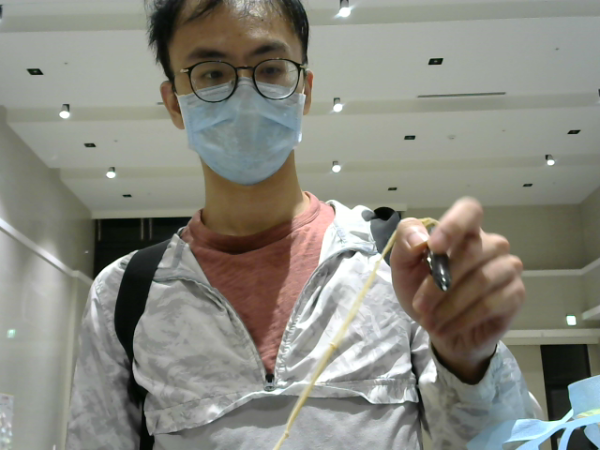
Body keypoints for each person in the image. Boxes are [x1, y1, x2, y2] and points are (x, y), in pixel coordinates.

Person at [66, 0, 538, 448]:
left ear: (304, 90)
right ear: (174, 102)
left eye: (270, 68)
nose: (244, 94)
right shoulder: (124, 295)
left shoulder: (393, 264)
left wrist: (470, 363)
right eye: (211, 73)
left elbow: (513, 444)